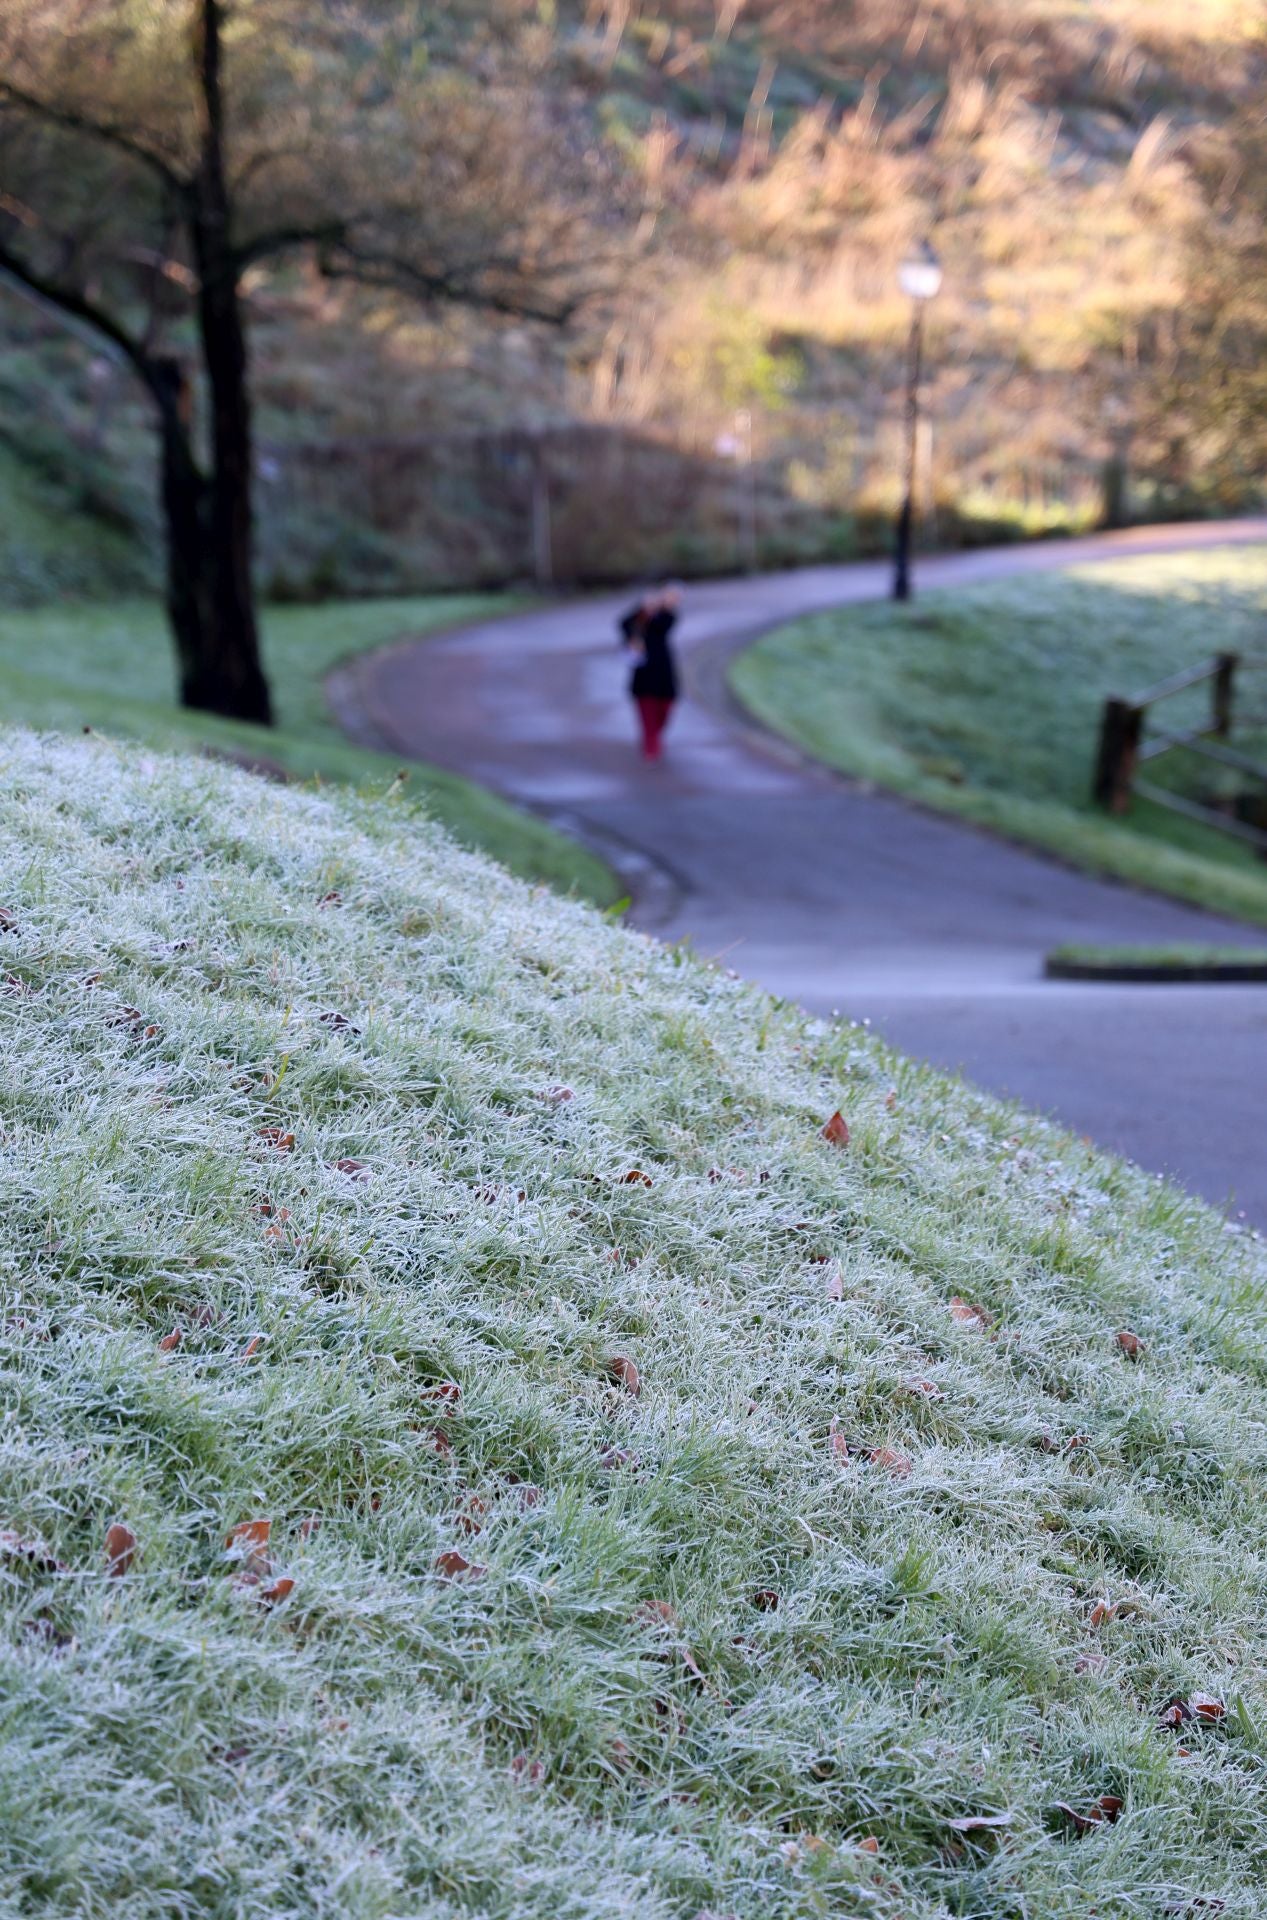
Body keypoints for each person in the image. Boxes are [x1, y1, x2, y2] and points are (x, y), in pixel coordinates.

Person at [620, 584, 681, 762]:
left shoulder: (667, 616)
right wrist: (643, 608)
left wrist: (659, 607)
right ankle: (651, 745)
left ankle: (654, 736)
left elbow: (664, 625)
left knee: (666, 708)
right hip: (644, 675)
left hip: (663, 672)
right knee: (646, 711)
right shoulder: (638, 618)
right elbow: (624, 624)